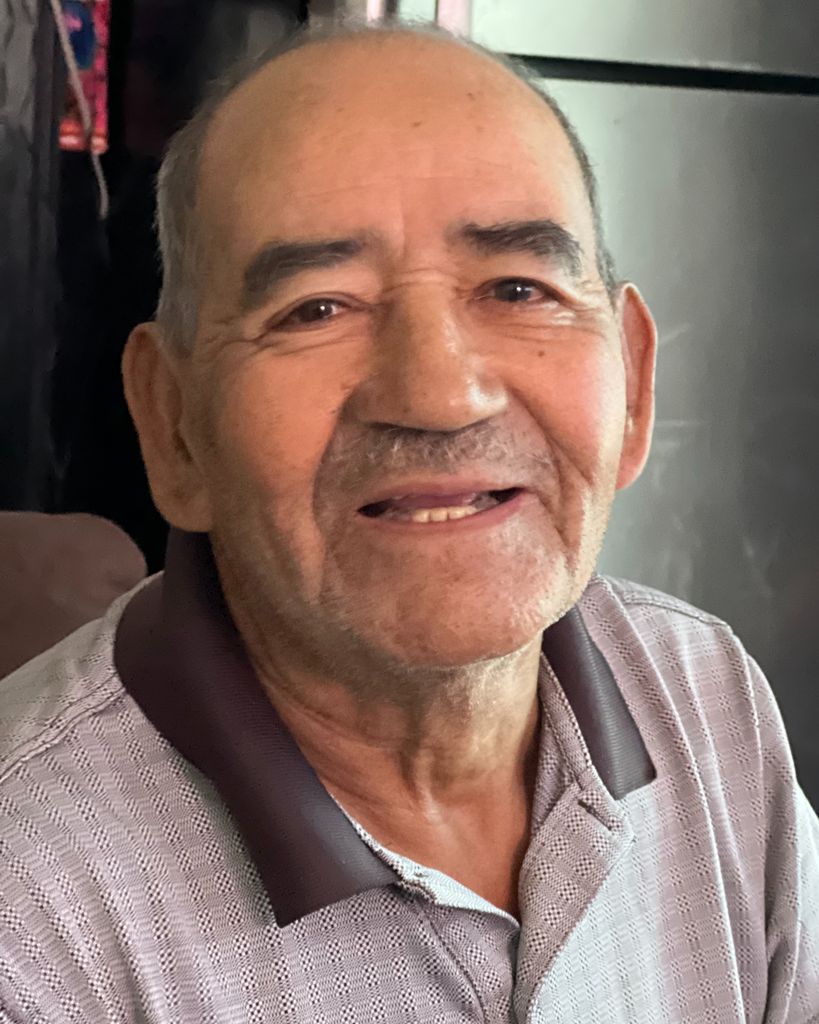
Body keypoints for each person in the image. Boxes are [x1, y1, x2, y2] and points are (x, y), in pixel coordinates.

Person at [1, 20, 817, 1024]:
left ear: (635, 384)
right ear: (173, 426)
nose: (439, 393)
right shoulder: (26, 919)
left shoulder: (704, 697)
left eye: (518, 288)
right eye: (316, 308)